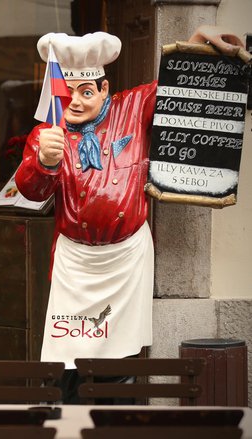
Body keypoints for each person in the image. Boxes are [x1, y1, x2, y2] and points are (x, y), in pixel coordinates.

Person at [14, 27, 244, 403]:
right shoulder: (47, 134)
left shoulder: (133, 106)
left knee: (120, 353)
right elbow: (31, 190)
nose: (74, 101)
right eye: (67, 92)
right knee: (66, 351)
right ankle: (69, 420)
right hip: (76, 260)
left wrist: (201, 39)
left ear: (104, 89)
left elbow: (176, 85)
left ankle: (114, 419)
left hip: (125, 257)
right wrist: (44, 161)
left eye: (86, 91)